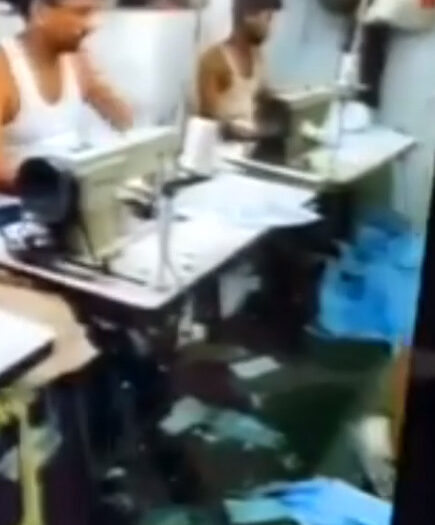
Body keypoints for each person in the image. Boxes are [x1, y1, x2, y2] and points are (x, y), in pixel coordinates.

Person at [0, 0, 133, 387]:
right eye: (81, 11)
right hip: (15, 218)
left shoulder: (77, 61)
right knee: (74, 319)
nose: (92, 24)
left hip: (67, 206)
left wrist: (135, 147)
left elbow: (124, 118)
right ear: (41, 11)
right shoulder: (5, 70)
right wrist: (69, 181)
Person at [197, 0, 282, 141]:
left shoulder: (258, 58)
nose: (270, 28)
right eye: (268, 18)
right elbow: (207, 123)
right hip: (223, 148)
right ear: (248, 15)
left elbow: (263, 98)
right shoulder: (214, 60)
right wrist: (237, 130)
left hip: (251, 145)